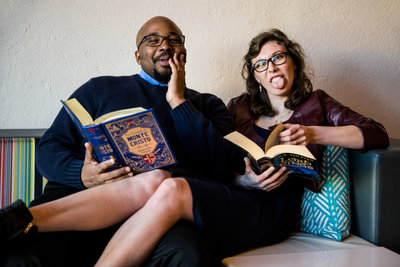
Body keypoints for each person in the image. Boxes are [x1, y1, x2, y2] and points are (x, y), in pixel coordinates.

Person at [0, 27, 390, 267]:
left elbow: (375, 134)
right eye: (261, 64)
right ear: (253, 75)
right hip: (242, 194)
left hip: (275, 208)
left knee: (171, 185)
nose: (271, 68)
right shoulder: (239, 108)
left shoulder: (318, 105)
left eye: (278, 58)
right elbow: (225, 163)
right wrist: (247, 180)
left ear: (293, 62)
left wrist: (315, 134)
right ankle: (14, 221)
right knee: (160, 179)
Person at [1, 16, 234, 267]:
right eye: (153, 40)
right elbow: (49, 148)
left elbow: (220, 166)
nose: (165, 46)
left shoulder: (208, 105)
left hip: (156, 213)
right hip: (78, 200)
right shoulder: (98, 89)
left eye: (174, 40)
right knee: (22, 258)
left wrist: (178, 102)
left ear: (184, 52)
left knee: (189, 253)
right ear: (138, 56)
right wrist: (80, 175)